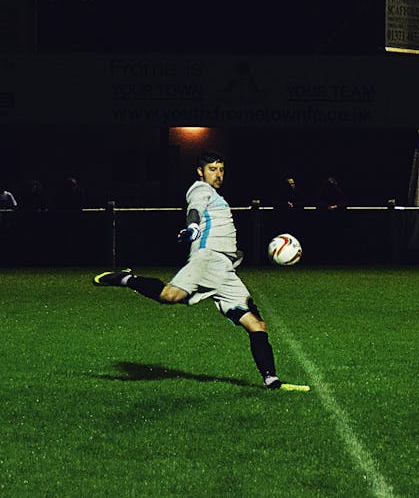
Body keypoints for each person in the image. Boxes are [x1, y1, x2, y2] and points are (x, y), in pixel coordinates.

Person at [92, 151, 282, 389]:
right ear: (200, 171)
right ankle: (126, 279)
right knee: (169, 296)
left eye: (221, 169)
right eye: (212, 169)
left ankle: (271, 379)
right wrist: (192, 225)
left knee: (256, 324)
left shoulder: (217, 196)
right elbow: (195, 210)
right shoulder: (200, 190)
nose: (218, 174)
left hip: (224, 269)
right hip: (207, 259)